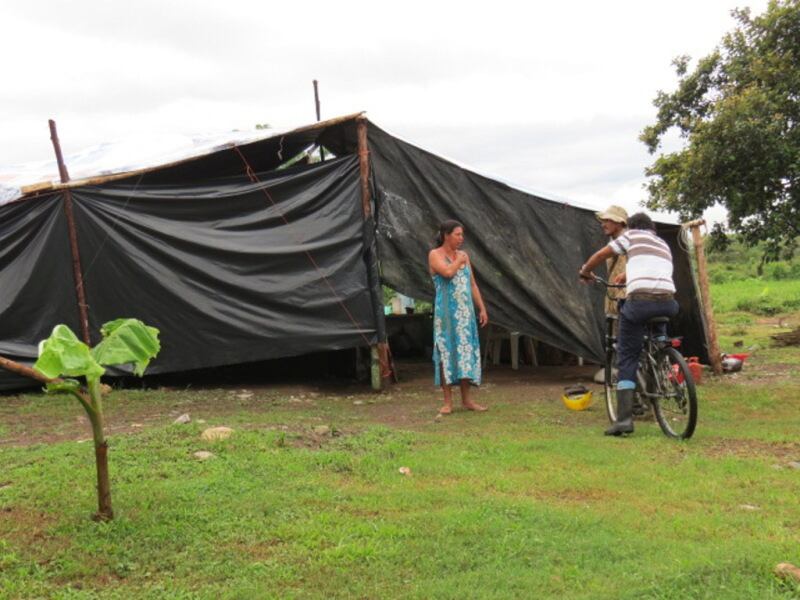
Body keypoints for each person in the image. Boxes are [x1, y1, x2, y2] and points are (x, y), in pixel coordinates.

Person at [579, 212, 678, 436]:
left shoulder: (631, 236)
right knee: (657, 344)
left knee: (627, 356)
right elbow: (653, 269)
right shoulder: (662, 243)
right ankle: (663, 356)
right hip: (668, 303)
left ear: (630, 227)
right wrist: (626, 275)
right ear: (652, 228)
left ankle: (624, 420)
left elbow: (601, 254)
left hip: (640, 304)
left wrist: (586, 271)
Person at [428, 220, 489, 414]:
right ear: (446, 235)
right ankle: (448, 402)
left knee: (465, 353)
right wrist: (459, 261)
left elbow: (472, 284)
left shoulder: (464, 255)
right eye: (457, 234)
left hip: (465, 315)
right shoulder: (435, 254)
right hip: (446, 315)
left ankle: (467, 400)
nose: (461, 238)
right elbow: (447, 273)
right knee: (446, 353)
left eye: (462, 235)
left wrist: (482, 308)